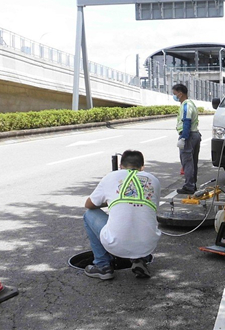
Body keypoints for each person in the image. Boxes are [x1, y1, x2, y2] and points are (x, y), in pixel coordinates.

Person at [83, 150, 161, 280]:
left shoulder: (111, 177)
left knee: (89, 214)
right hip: (147, 244)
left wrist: (111, 201)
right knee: (139, 216)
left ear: (120, 166)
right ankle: (139, 260)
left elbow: (89, 205)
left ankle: (102, 266)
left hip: (115, 242)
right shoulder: (154, 180)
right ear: (142, 167)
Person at [172, 83, 201, 194]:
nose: (174, 96)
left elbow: (186, 122)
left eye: (175, 94)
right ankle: (192, 185)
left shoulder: (186, 105)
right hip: (195, 135)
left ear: (180, 93)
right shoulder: (191, 104)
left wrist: (183, 138)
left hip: (189, 136)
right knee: (193, 162)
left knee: (187, 162)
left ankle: (189, 186)